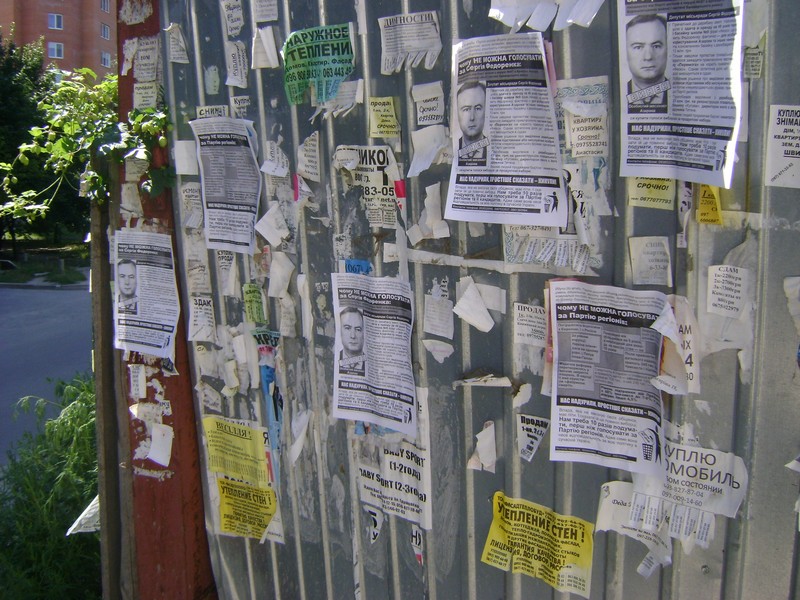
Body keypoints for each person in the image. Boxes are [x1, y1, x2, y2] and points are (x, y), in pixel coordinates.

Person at [625, 14, 669, 114]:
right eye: (638, 47)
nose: (648, 57)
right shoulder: (616, 92)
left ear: (667, 49)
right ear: (626, 52)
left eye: (656, 46)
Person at [456, 80, 489, 166]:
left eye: (478, 108)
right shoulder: (452, 149)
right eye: (466, 109)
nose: (472, 117)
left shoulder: (494, 150)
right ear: (457, 113)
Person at [339, 306, 365, 376]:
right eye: (347, 328)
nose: (353, 336)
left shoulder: (374, 364)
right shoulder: (330, 359)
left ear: (364, 333)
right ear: (340, 331)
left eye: (358, 329)